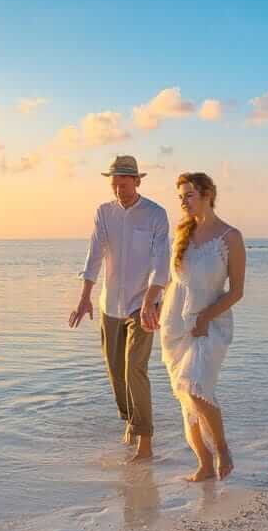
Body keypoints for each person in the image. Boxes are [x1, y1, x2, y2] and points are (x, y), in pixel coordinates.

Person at [69, 155, 171, 463]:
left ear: (137, 181)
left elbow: (161, 261)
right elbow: (94, 255)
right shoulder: (104, 213)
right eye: (114, 185)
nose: (118, 191)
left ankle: (145, 441)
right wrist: (85, 296)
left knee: (134, 369)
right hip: (109, 305)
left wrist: (152, 298)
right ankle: (130, 420)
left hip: (143, 304)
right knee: (116, 373)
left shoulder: (156, 214)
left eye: (124, 185)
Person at [159, 172, 245, 481]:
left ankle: (221, 449)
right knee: (184, 395)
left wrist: (206, 317)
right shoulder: (182, 234)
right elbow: (172, 281)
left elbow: (237, 290)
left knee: (196, 387)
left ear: (208, 194)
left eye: (188, 194)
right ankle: (204, 464)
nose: (182, 201)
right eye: (180, 196)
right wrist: (152, 306)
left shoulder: (230, 237)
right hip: (175, 324)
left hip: (210, 324)